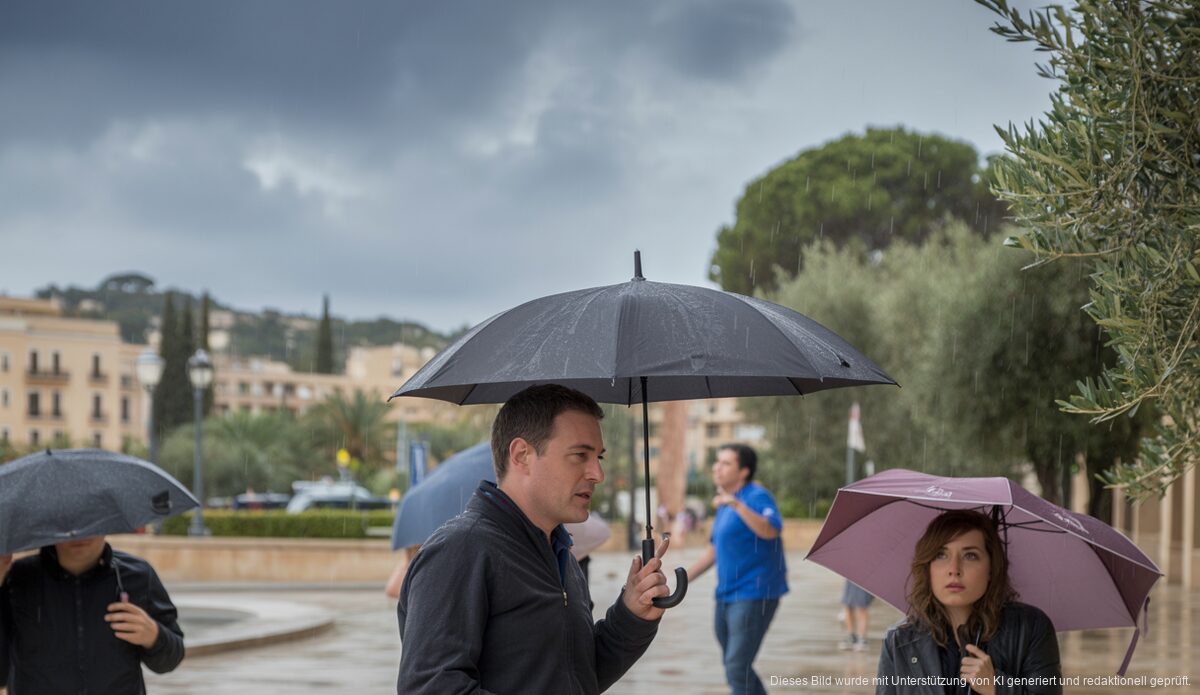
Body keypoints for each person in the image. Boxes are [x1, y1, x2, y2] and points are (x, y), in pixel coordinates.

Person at [396, 384, 672, 694]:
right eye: (580, 455)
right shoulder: (460, 551)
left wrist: (631, 616)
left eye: (599, 458)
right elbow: (431, 687)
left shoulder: (561, 554)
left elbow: (577, 675)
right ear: (522, 455)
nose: (597, 474)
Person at [875, 510, 1062, 695]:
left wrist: (997, 688)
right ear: (928, 567)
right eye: (941, 555)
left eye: (970, 555)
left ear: (991, 569)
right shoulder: (899, 641)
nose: (954, 569)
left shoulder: (1030, 628)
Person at [0, 536, 185, 694]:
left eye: (88, 523)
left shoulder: (138, 576)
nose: (79, 534)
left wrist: (154, 635)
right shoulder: (18, 578)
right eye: (68, 523)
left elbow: (171, 659)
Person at [686, 443, 788, 695]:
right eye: (717, 462)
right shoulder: (725, 504)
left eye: (725, 463)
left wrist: (738, 505)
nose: (717, 468)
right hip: (726, 594)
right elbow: (713, 551)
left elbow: (771, 530)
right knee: (736, 667)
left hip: (755, 593)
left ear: (744, 471)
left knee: (736, 666)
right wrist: (681, 580)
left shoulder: (756, 496)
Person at [839, 579, 874, 652]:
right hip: (851, 579)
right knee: (848, 605)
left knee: (862, 606)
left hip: (865, 579)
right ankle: (851, 636)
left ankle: (862, 638)